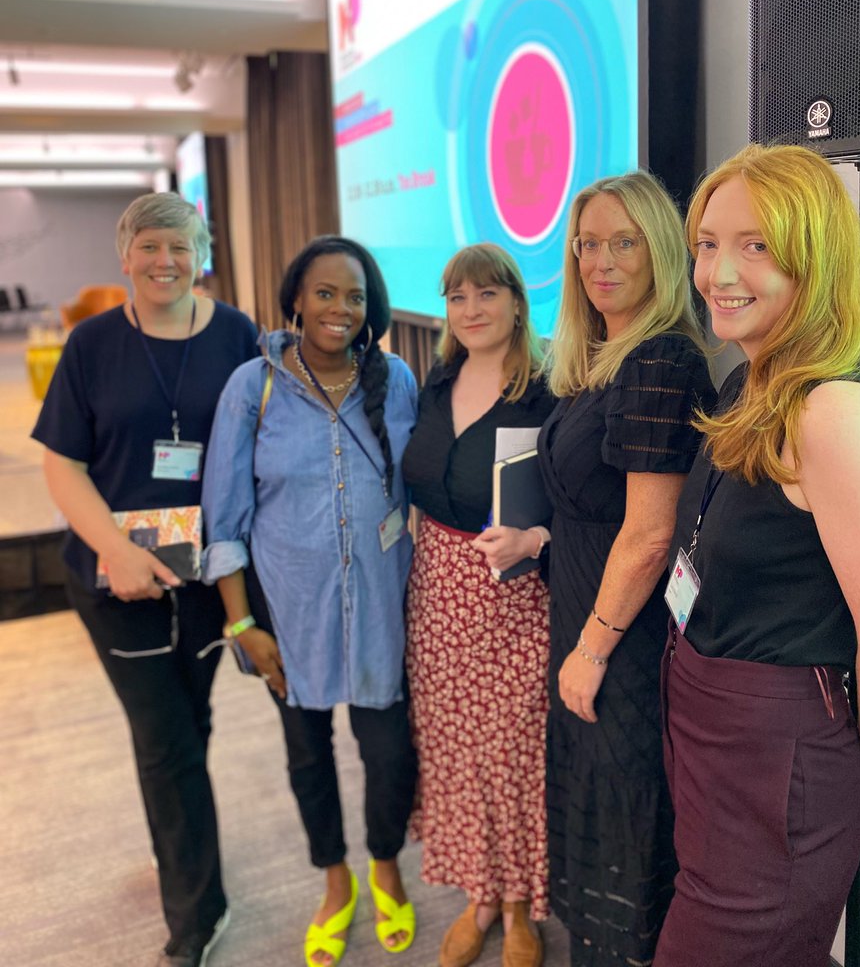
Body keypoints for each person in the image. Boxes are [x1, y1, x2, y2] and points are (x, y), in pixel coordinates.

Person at [654, 145, 860, 967]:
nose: (720, 270)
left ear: (814, 257)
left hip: (779, 760)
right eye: (708, 243)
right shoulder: (749, 379)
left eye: (756, 246)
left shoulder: (837, 411)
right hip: (713, 729)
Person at [32, 192, 259, 967]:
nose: (166, 261)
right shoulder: (92, 343)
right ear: (125, 255)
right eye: (151, 246)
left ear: (203, 254)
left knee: (189, 727)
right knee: (163, 739)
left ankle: (180, 849)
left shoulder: (236, 335)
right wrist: (117, 550)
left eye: (182, 246)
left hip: (204, 577)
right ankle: (198, 914)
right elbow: (61, 464)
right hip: (111, 577)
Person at [201, 235, 419, 967]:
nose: (340, 309)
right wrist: (241, 625)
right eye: (325, 293)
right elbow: (223, 520)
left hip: (383, 610)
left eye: (354, 297)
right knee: (307, 754)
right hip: (288, 614)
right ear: (296, 298)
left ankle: (385, 864)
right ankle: (335, 880)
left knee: (389, 755)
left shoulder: (395, 378)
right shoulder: (250, 387)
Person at [537, 172, 715, 967]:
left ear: (661, 251)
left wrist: (594, 646)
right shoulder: (605, 358)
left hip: (625, 648)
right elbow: (599, 514)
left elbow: (649, 537)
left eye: (624, 242)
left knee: (628, 837)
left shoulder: (661, 360)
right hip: (587, 622)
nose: (600, 261)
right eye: (586, 244)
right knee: (596, 833)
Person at [402, 243, 556, 967]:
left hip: (515, 601)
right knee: (455, 753)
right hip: (436, 594)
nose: (470, 310)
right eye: (457, 297)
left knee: (513, 755)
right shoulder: (438, 381)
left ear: (518, 302)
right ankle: (480, 894)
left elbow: (589, 506)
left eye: (486, 295)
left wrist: (535, 538)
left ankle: (522, 906)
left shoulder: (548, 389)